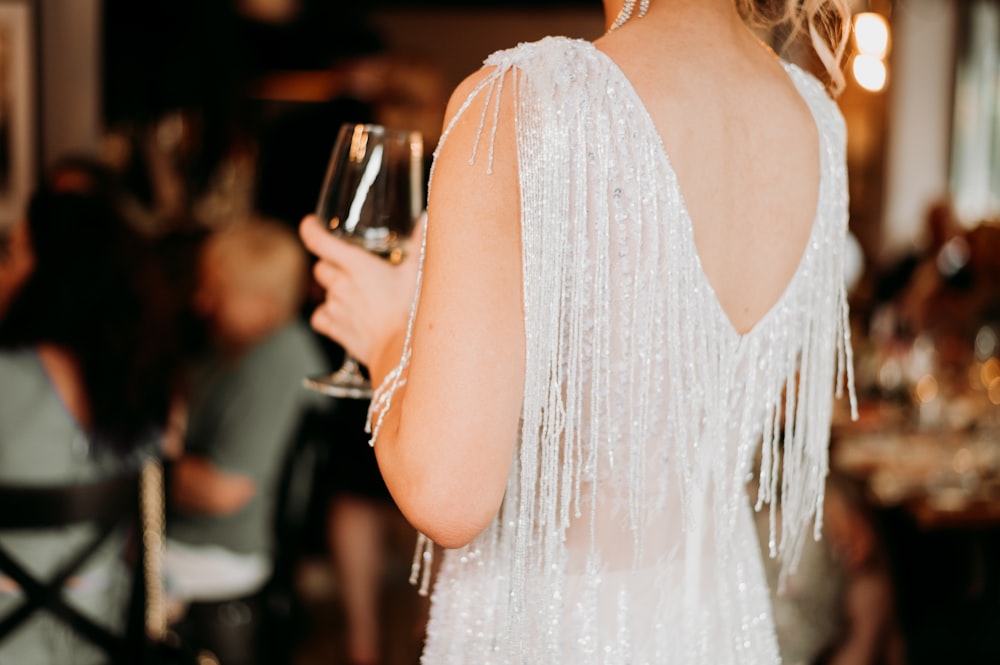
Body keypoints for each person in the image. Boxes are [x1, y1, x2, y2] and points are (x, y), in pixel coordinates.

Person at [300, 0, 857, 662]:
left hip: (546, 629)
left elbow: (445, 493)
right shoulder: (817, 123)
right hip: (718, 623)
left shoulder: (524, 104)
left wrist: (388, 329)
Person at [0, 188, 180, 663]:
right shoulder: (140, 380)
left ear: (55, 273)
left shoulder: (9, 378)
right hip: (101, 631)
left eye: (11, 253)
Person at [163, 218, 327, 665]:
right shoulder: (227, 345)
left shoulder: (277, 361)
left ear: (265, 305)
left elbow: (223, 491)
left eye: (217, 291)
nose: (201, 301)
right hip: (190, 539)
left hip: (220, 551)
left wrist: (147, 469)